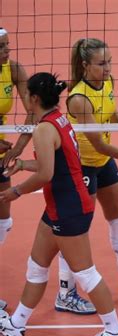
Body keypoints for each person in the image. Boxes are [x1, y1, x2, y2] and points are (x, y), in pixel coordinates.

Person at [0, 72, 118, 336]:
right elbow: (53, 166)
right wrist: (22, 165)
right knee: (36, 266)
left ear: (34, 98)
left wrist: (16, 191)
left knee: (86, 274)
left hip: (69, 208)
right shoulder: (58, 119)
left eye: (27, 97)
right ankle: (17, 323)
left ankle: (114, 331)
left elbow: (46, 173)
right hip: (59, 205)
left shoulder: (45, 129)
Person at [53, 38, 118, 315]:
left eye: (109, 61)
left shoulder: (106, 82)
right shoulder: (78, 98)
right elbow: (98, 143)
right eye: (101, 64)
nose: (108, 67)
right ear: (85, 65)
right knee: (75, 231)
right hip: (81, 166)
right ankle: (65, 292)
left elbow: (110, 111)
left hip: (102, 163)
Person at [0, 27, 35, 312]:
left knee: (3, 219)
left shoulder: (13, 70)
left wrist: (18, 148)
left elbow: (33, 109)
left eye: (7, 45)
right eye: (1, 47)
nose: (6, 51)